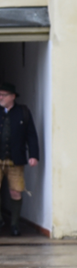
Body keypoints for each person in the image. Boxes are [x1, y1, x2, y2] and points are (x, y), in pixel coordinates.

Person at [0, 82, 39, 236]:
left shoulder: (23, 112)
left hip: (16, 159)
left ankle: (14, 224)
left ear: (13, 96)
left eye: (3, 95)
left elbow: (31, 135)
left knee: (15, 191)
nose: (0, 98)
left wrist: (34, 155)